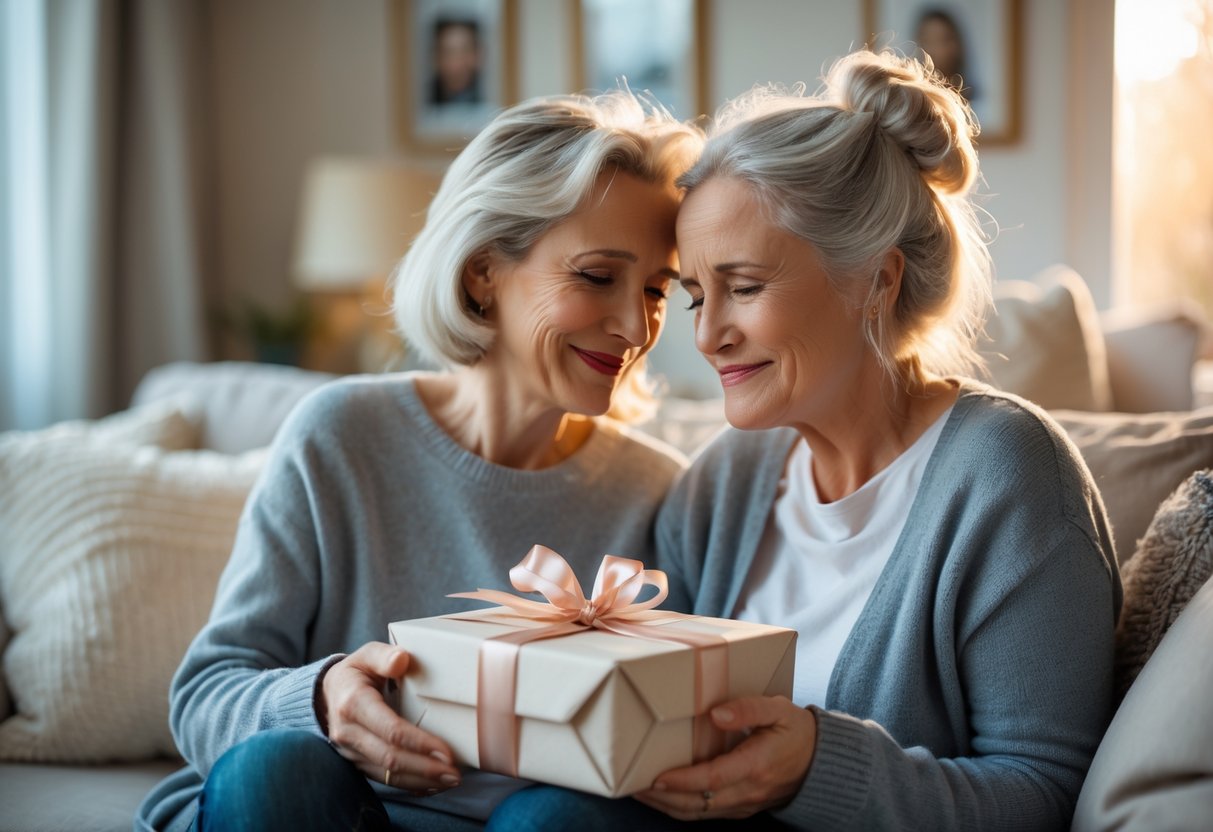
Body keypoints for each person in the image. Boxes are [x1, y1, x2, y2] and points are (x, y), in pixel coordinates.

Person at [488, 48, 1122, 831]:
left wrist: (816, 767)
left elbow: (1044, 794)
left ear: (876, 281)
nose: (710, 335)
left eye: (744, 288)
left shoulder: (1007, 473)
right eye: (693, 296)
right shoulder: (721, 485)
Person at [135, 90, 703, 831]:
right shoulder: (339, 436)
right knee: (277, 772)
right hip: (334, 809)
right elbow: (207, 695)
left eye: (657, 290)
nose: (635, 325)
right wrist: (323, 698)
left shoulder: (659, 491)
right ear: (481, 274)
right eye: (597, 276)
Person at [429, 18, 483, 106]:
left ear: (477, 55)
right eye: (449, 52)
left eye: (465, 51)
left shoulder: (487, 91)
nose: (457, 63)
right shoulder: (427, 94)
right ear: (437, 58)